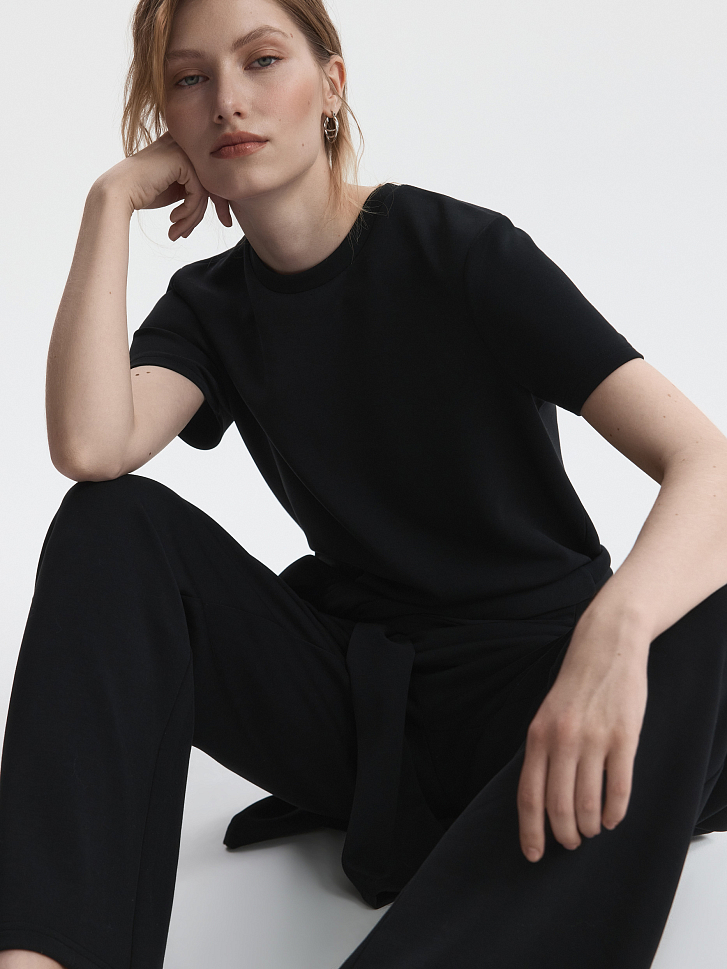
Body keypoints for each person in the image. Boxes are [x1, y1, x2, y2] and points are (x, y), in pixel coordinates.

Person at [1, 0, 727, 966]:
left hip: (542, 695)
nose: (227, 101)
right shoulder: (210, 308)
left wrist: (614, 632)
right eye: (190, 80)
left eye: (262, 60)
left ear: (331, 85)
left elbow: (710, 464)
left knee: (705, 611)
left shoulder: (457, 250)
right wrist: (107, 203)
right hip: (366, 709)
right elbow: (93, 446)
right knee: (112, 523)